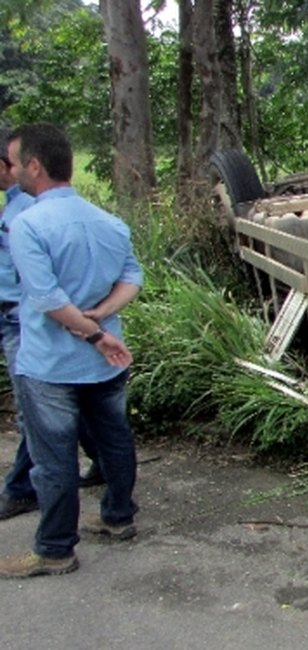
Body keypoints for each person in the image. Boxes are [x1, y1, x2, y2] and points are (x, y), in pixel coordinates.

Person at [0, 123, 143, 578]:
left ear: (35, 166)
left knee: (54, 459)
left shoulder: (27, 225)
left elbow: (46, 299)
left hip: (53, 365)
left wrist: (92, 331)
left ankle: (54, 549)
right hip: (106, 362)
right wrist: (101, 317)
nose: (15, 170)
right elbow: (132, 279)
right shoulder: (109, 221)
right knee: (115, 440)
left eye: (18, 161)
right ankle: (119, 518)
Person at [0, 130, 105, 524]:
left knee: (40, 412)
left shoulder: (31, 214)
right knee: (70, 406)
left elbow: (47, 292)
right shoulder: (17, 208)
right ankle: (106, 465)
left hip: (29, 320)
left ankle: (27, 498)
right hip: (22, 316)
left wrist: (93, 330)